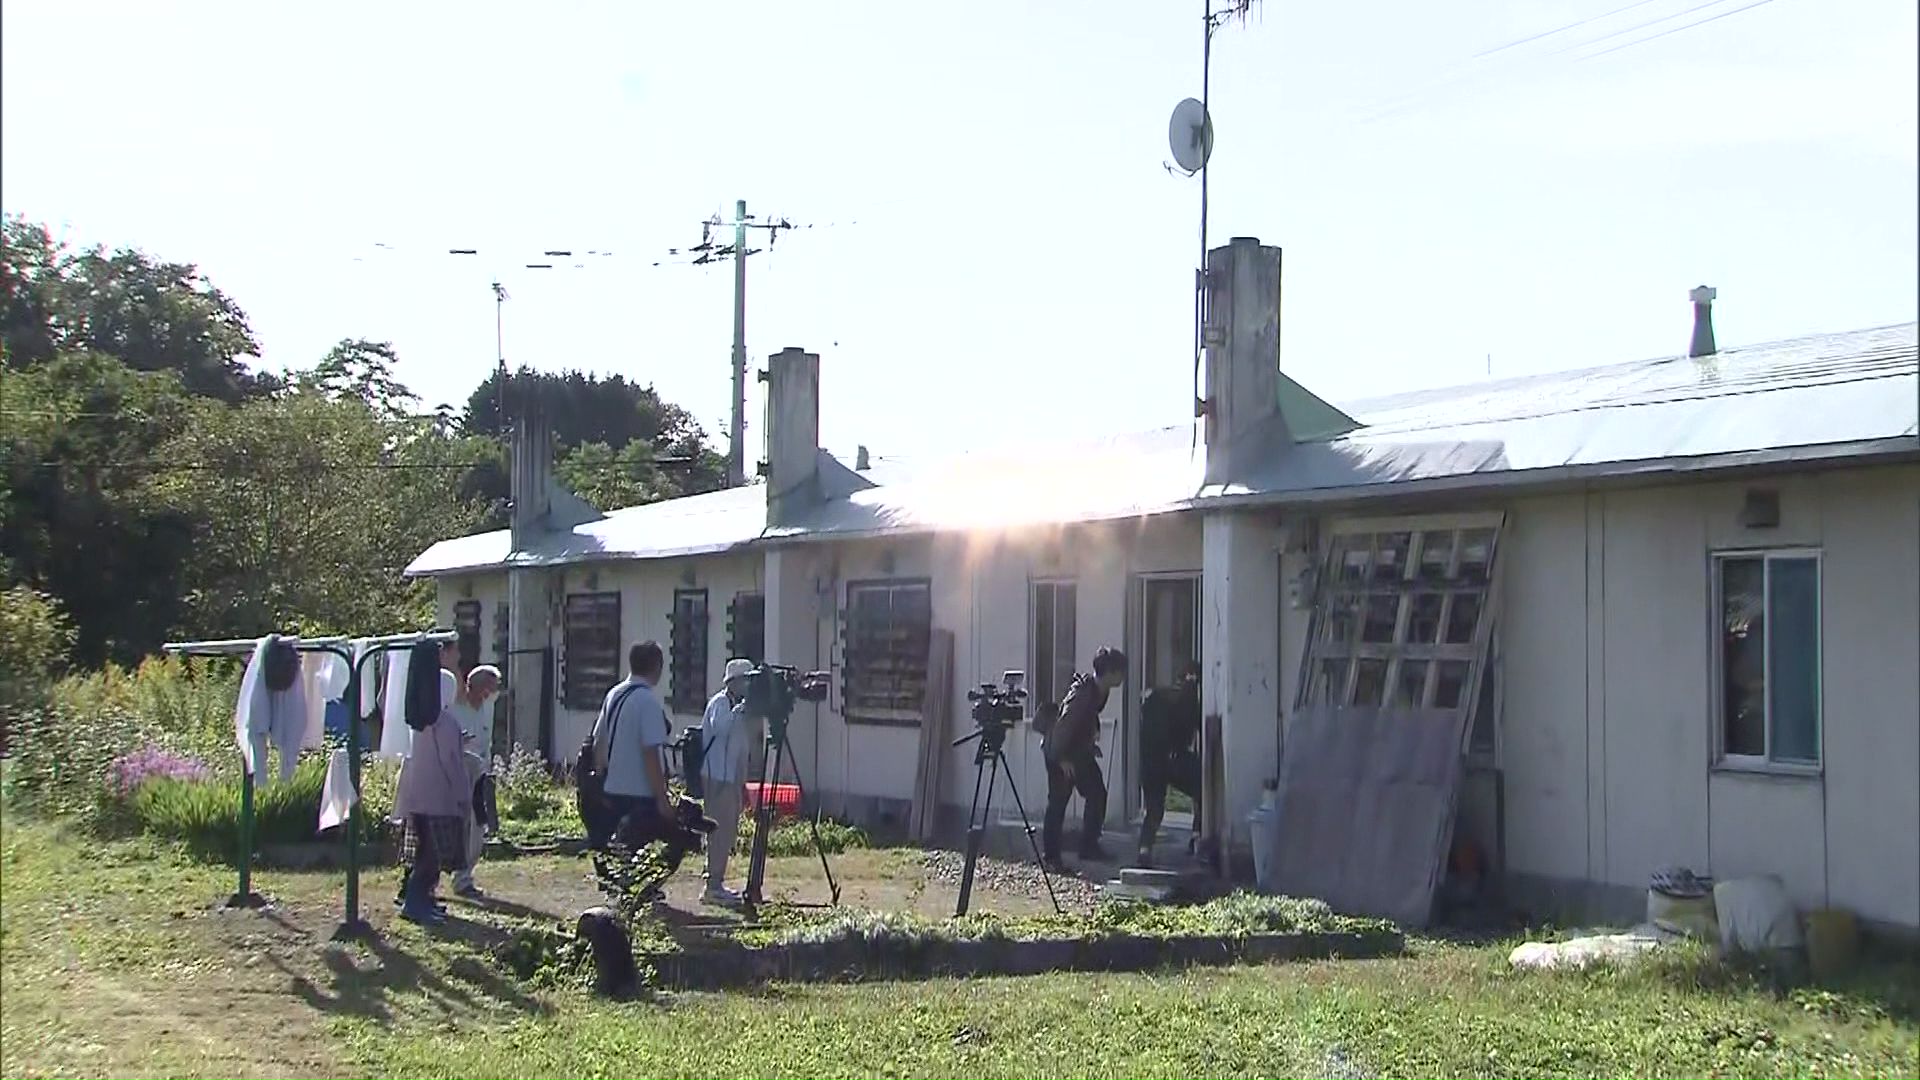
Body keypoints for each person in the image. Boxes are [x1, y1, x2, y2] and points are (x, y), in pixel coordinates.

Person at [588, 641, 694, 890]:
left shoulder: (614, 694)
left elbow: (598, 741)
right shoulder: (647, 702)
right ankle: (643, 889)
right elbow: (650, 753)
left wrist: (601, 777)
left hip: (612, 787)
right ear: (656, 666)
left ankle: (622, 888)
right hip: (640, 792)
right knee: (674, 840)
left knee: (623, 848)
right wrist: (662, 798)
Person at [393, 668, 471, 927]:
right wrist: (462, 794)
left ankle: (423, 900)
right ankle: (415, 903)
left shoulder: (419, 720)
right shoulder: (445, 722)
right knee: (431, 855)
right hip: (439, 798)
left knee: (423, 850)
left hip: (416, 795)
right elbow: (452, 762)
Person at [1041, 646, 1127, 869]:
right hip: (1059, 752)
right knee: (1058, 802)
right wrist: (1061, 759)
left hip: (1078, 752)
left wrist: (1090, 742)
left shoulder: (1099, 691)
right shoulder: (1082, 694)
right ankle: (1051, 858)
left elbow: (1087, 719)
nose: (1123, 676)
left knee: (1097, 793)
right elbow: (1063, 726)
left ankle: (1089, 847)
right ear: (1110, 672)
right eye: (1120, 671)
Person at [699, 659, 759, 905]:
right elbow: (720, 728)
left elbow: (742, 745)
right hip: (716, 776)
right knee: (717, 829)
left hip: (731, 777)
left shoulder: (741, 710)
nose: (748, 685)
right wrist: (739, 710)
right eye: (745, 680)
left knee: (728, 830)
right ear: (733, 682)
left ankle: (717, 881)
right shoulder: (720, 703)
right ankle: (711, 886)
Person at [1137, 661, 1203, 866]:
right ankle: (1196, 837)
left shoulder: (1154, 698)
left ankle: (1144, 849)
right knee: (1201, 788)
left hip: (1151, 761)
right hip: (1175, 758)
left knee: (1154, 809)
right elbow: (1192, 730)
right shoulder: (1189, 699)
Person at [449, 665, 501, 898]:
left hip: (480, 775)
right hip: (459, 774)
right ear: (478, 688)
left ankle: (465, 877)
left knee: (478, 826)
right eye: (491, 687)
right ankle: (455, 877)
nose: (493, 692)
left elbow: (487, 742)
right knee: (459, 827)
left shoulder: (488, 707)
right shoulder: (456, 710)